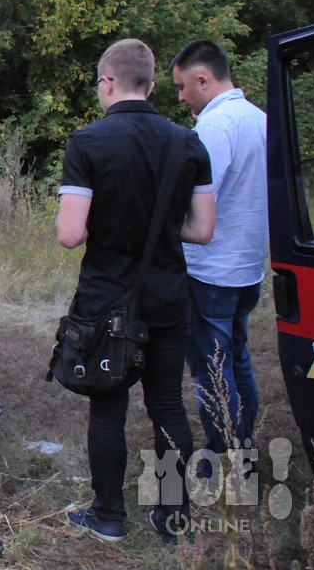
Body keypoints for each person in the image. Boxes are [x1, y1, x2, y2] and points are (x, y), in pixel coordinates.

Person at [56, 39, 215, 543]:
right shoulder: (187, 142)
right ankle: (172, 519)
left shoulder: (87, 142)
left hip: (106, 299)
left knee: (108, 407)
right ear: (148, 84)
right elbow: (202, 230)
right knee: (167, 405)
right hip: (167, 295)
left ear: (108, 82)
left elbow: (70, 234)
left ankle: (108, 515)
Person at [170, 40, 267, 461]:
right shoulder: (261, 119)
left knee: (211, 370)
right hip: (248, 266)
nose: (180, 97)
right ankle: (243, 442)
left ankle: (223, 452)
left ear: (203, 79)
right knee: (238, 357)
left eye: (181, 86)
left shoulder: (213, 127)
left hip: (211, 269)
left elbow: (194, 197)